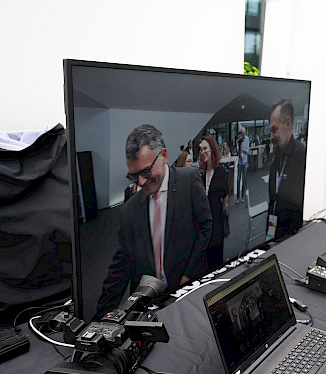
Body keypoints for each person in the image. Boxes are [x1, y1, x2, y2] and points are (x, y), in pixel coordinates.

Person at [95, 124, 212, 319]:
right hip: (149, 308)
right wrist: (98, 320)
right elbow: (119, 267)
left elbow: (205, 228)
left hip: (188, 294)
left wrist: (188, 276)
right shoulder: (129, 210)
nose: (140, 182)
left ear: (164, 156)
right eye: (134, 175)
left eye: (146, 172)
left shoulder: (189, 180)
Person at [267, 98, 306, 240]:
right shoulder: (275, 160)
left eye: (274, 130)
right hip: (274, 236)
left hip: (292, 240)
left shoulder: (301, 157)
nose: (271, 137)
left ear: (288, 124)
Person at [200, 134, 229, 270]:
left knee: (216, 265)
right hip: (205, 231)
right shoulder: (202, 175)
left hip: (217, 229)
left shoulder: (221, 173)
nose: (202, 152)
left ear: (212, 149)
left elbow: (225, 204)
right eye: (201, 149)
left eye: (205, 148)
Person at [236, 127, 249, 204]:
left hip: (244, 161)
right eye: (242, 133)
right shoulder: (239, 140)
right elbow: (237, 150)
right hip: (239, 162)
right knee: (238, 180)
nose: (243, 134)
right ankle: (238, 197)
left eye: (244, 133)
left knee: (244, 180)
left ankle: (243, 196)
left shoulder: (247, 139)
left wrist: (242, 150)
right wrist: (237, 144)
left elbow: (247, 150)